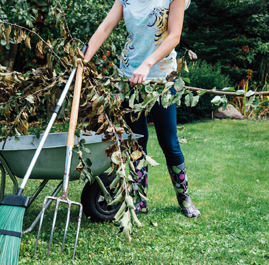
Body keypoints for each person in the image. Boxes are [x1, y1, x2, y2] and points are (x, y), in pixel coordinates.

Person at [83, 0, 201, 218]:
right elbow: (105, 27)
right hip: (129, 79)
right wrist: (84, 60)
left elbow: (174, 36)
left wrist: (147, 64)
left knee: (170, 142)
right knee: (137, 141)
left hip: (161, 82)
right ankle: (140, 199)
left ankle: (184, 197)